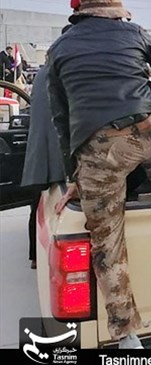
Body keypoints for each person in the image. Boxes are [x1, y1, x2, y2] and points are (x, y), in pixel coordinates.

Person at [47, 0, 151, 350]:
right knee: (135, 142)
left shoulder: (59, 48)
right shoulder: (134, 32)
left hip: (102, 144)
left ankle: (125, 333)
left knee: (107, 240)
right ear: (116, 12)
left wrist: (77, 174)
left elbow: (61, 117)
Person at [21, 26, 72, 270]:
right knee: (62, 211)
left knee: (37, 206)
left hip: (39, 151)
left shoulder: (44, 72)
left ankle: (34, 256)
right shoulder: (66, 72)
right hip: (60, 153)